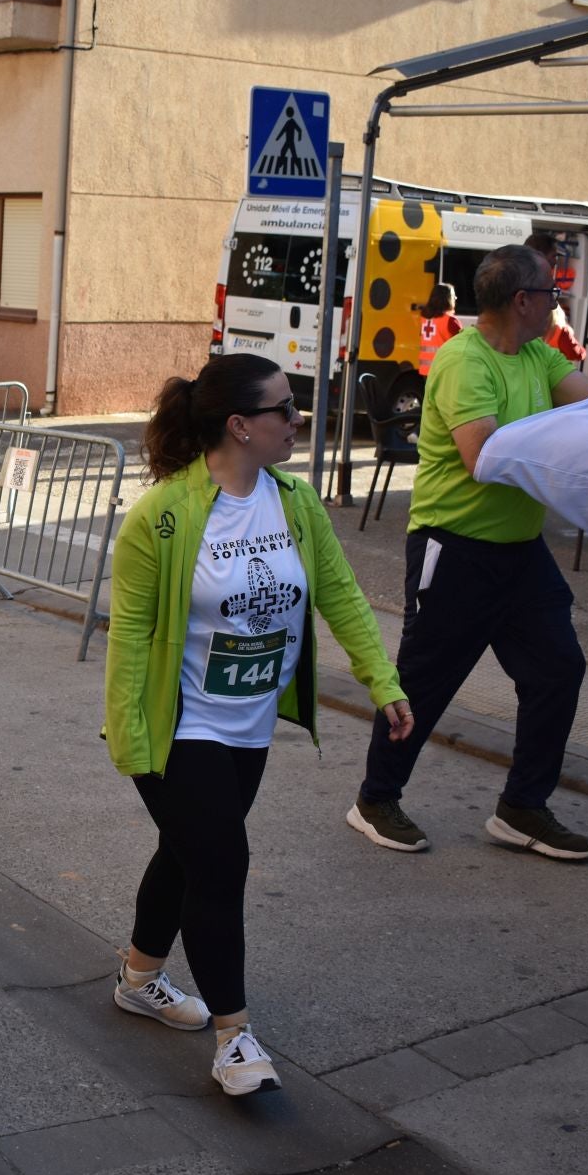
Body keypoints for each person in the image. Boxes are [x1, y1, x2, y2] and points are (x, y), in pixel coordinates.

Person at [104, 353, 411, 1097]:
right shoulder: (163, 516)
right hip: (179, 728)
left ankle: (139, 979)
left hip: (249, 722)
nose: (299, 420)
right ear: (240, 426)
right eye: (285, 409)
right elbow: (129, 637)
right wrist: (133, 743)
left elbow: (339, 593)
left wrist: (383, 680)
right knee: (221, 864)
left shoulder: (294, 500)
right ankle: (234, 1039)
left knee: (186, 854)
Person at [350, 244, 588, 860]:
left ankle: (522, 807)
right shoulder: (466, 360)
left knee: (558, 670)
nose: (557, 304)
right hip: (455, 549)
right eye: (551, 293)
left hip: (520, 554)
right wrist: (564, 450)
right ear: (523, 301)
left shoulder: (538, 355)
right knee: (423, 683)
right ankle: (376, 799)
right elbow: (483, 457)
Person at [523, 233, 588, 365]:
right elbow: (576, 352)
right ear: (540, 256)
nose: (556, 261)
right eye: (554, 255)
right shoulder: (540, 291)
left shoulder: (516, 282)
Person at [415, 283, 463, 377]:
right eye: (453, 296)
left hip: (426, 370)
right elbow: (463, 345)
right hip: (444, 370)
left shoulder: (425, 319)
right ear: (448, 299)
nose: (455, 298)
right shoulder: (450, 321)